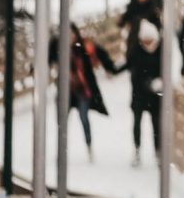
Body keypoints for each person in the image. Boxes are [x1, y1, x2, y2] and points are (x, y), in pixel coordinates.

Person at [50, 27, 119, 160]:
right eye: (67, 35)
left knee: (84, 118)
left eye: (72, 34)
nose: (70, 37)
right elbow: (47, 57)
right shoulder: (59, 49)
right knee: (62, 120)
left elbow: (101, 54)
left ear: (76, 35)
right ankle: (61, 148)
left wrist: (110, 68)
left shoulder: (84, 47)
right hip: (66, 92)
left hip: (82, 90)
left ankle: (89, 147)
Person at [126, 15, 164, 162]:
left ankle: (158, 151)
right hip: (139, 94)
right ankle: (137, 149)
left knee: (156, 125)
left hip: (155, 95)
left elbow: (164, 71)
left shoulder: (161, 51)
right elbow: (131, 67)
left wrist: (158, 82)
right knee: (137, 123)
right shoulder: (136, 51)